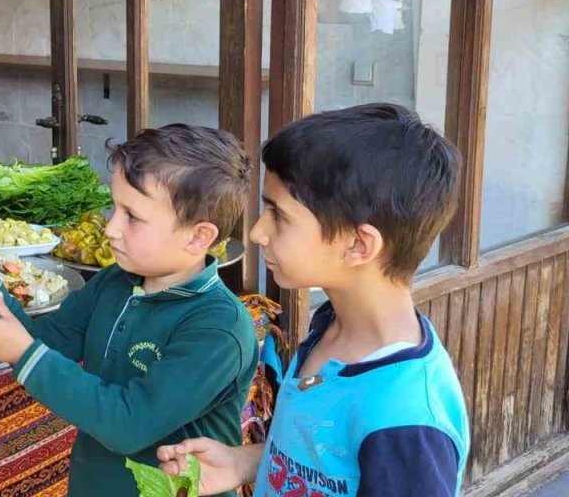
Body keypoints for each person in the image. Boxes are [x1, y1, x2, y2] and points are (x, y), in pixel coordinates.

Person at [157, 103, 469, 497]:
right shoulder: (331, 326)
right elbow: (328, 461)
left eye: (278, 215)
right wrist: (244, 462)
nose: (256, 232)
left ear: (358, 244)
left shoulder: (406, 420)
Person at [0, 124, 259, 496]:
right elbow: (42, 343)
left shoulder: (218, 329)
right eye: (115, 207)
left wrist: (22, 352)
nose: (111, 228)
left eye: (133, 216)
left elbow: (128, 424)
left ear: (199, 236)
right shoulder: (115, 282)